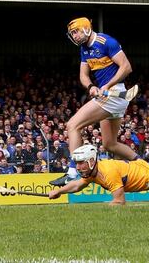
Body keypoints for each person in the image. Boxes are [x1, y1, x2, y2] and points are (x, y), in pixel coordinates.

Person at [51, 17, 139, 186]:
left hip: (114, 93)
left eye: (76, 32)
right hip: (107, 96)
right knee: (110, 144)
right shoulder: (84, 49)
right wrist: (91, 86)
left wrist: (108, 84)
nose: (74, 36)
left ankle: (71, 173)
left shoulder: (106, 41)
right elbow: (83, 75)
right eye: (72, 34)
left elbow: (126, 67)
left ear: (85, 28)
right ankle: (144, 165)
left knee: (73, 125)